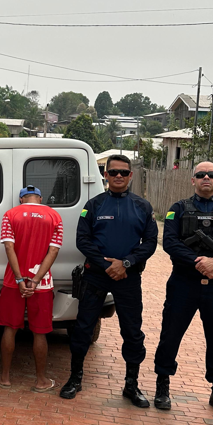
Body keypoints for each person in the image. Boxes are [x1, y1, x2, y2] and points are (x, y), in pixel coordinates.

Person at [153, 161, 213, 417]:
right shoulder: (178, 209)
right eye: (200, 175)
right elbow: (170, 243)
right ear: (193, 180)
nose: (206, 178)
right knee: (171, 334)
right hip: (183, 284)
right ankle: (162, 386)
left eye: (211, 175)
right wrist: (199, 262)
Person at [60, 154, 158, 407]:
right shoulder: (93, 206)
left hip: (128, 278)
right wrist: (107, 265)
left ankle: (131, 385)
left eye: (123, 173)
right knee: (83, 329)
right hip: (96, 277)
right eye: (113, 172)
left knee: (133, 332)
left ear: (130, 175)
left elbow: (149, 244)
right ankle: (75, 378)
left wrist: (124, 264)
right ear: (105, 175)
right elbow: (83, 240)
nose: (118, 176)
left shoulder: (142, 207)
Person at [0, 185, 63, 392]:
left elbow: (9, 247)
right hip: (41, 283)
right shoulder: (54, 216)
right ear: (40, 199)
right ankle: (41, 380)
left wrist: (19, 279)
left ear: (21, 199)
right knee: (40, 333)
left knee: (10, 328)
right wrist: (35, 280)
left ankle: (5, 377)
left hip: (13, 282)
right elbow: (53, 251)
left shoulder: (10, 214)